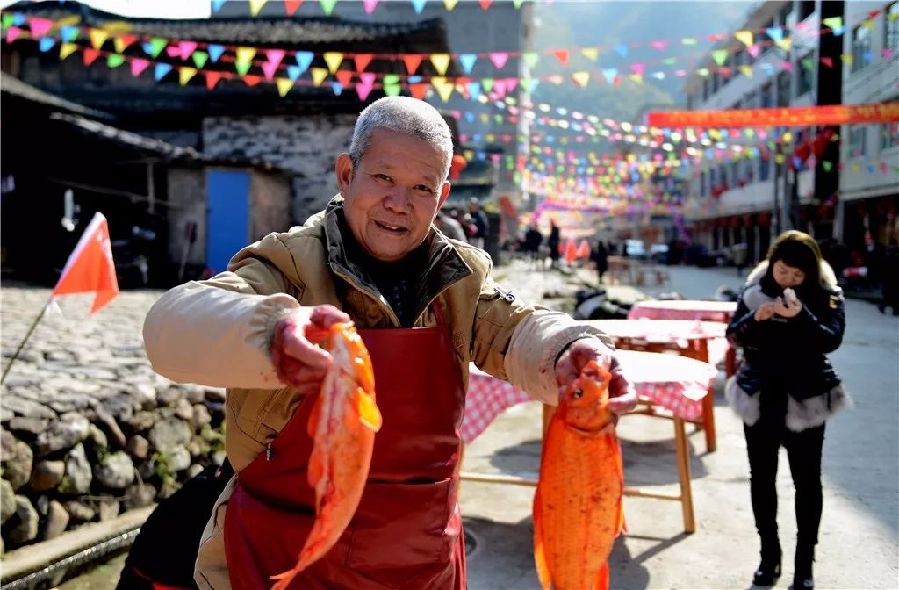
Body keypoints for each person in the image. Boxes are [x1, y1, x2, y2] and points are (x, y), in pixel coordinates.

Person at [141, 96, 636, 590]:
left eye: (421, 187)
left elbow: (517, 329)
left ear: (441, 198)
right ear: (345, 173)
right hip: (287, 556)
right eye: (383, 178)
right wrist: (272, 332)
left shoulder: (459, 279)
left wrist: (572, 349)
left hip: (423, 562)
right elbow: (172, 327)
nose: (400, 203)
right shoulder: (285, 266)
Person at [724, 230, 850, 590]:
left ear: (811, 272)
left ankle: (804, 564)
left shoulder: (828, 295)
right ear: (772, 263)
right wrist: (755, 319)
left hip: (806, 398)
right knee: (762, 479)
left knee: (807, 482)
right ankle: (769, 556)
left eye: (798, 275)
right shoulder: (752, 292)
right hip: (760, 396)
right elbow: (733, 336)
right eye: (783, 271)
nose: (789, 279)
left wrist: (802, 317)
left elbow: (831, 339)